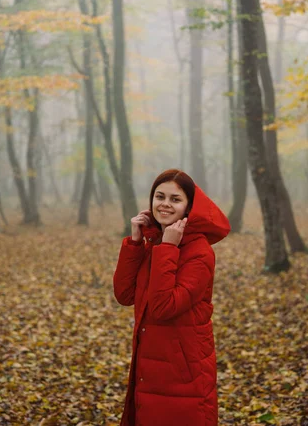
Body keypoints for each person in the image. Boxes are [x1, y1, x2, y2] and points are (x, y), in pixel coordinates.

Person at [113, 169, 231, 426]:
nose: (165, 204)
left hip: (182, 374)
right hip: (150, 367)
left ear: (189, 207)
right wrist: (135, 243)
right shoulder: (153, 242)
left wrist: (168, 248)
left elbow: (163, 307)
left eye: (175, 199)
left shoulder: (199, 252)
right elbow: (124, 295)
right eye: (159, 196)